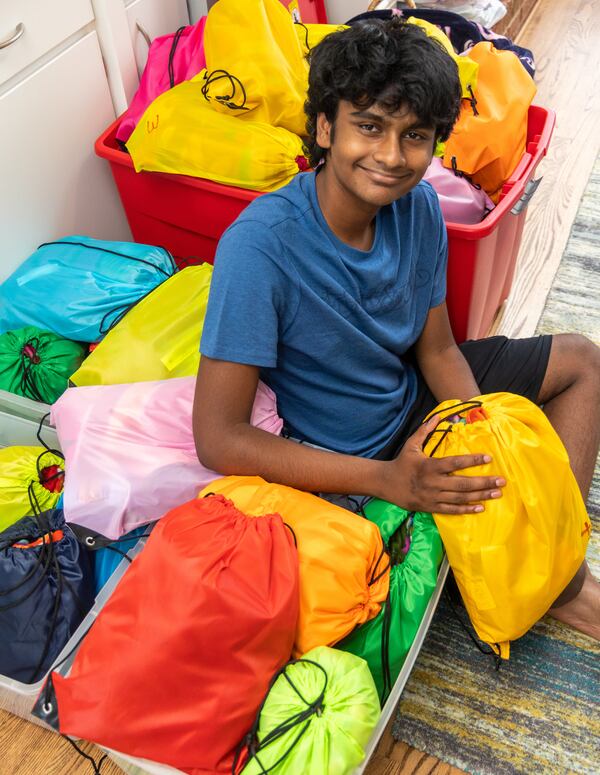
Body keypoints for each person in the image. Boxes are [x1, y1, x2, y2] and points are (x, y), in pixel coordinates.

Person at [193, 19, 600, 639]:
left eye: (414, 135)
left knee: (583, 360)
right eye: (369, 126)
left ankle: (554, 571)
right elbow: (218, 439)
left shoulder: (421, 208)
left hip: (415, 404)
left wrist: (477, 428)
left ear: (435, 142)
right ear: (326, 126)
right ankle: (541, 577)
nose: (390, 156)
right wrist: (391, 480)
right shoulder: (260, 247)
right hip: (351, 465)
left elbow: (436, 348)